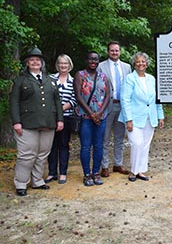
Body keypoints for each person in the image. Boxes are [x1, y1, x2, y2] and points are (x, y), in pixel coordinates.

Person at [10, 47, 64, 196]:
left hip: (48, 122)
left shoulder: (50, 80)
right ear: (27, 63)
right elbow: (14, 102)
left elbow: (57, 101)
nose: (35, 62)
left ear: (42, 63)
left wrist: (60, 119)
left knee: (42, 154)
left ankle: (37, 180)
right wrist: (16, 122)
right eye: (32, 60)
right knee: (27, 155)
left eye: (38, 60)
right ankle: (21, 183)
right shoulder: (21, 80)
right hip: (27, 123)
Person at [119, 52, 164, 182]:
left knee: (145, 145)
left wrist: (160, 116)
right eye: (138, 61)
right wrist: (128, 120)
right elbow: (125, 99)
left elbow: (157, 99)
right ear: (134, 63)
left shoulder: (151, 79)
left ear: (147, 63)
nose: (141, 64)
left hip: (150, 117)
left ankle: (140, 170)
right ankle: (133, 171)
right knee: (136, 143)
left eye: (143, 61)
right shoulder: (129, 78)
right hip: (134, 118)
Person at [74, 51, 110, 186]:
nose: (93, 62)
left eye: (96, 59)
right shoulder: (80, 75)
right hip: (85, 117)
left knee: (99, 146)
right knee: (85, 146)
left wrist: (99, 113)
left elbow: (108, 95)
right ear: (86, 60)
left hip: (101, 117)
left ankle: (96, 172)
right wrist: (91, 114)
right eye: (91, 59)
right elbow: (78, 96)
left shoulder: (103, 76)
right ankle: (87, 174)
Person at [98, 41, 132, 177]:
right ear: (108, 52)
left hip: (122, 106)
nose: (114, 53)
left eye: (116, 50)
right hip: (107, 105)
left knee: (119, 137)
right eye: (112, 50)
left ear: (120, 52)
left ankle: (118, 164)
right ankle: (104, 166)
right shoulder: (101, 66)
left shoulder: (127, 67)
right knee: (104, 137)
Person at [44, 54, 77, 185]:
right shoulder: (50, 79)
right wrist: (55, 111)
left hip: (66, 117)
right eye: (61, 63)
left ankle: (63, 172)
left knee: (63, 145)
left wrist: (60, 109)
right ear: (57, 65)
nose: (63, 66)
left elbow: (74, 100)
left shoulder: (74, 81)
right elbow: (45, 97)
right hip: (51, 117)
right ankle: (52, 172)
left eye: (66, 63)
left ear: (70, 65)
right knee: (51, 145)